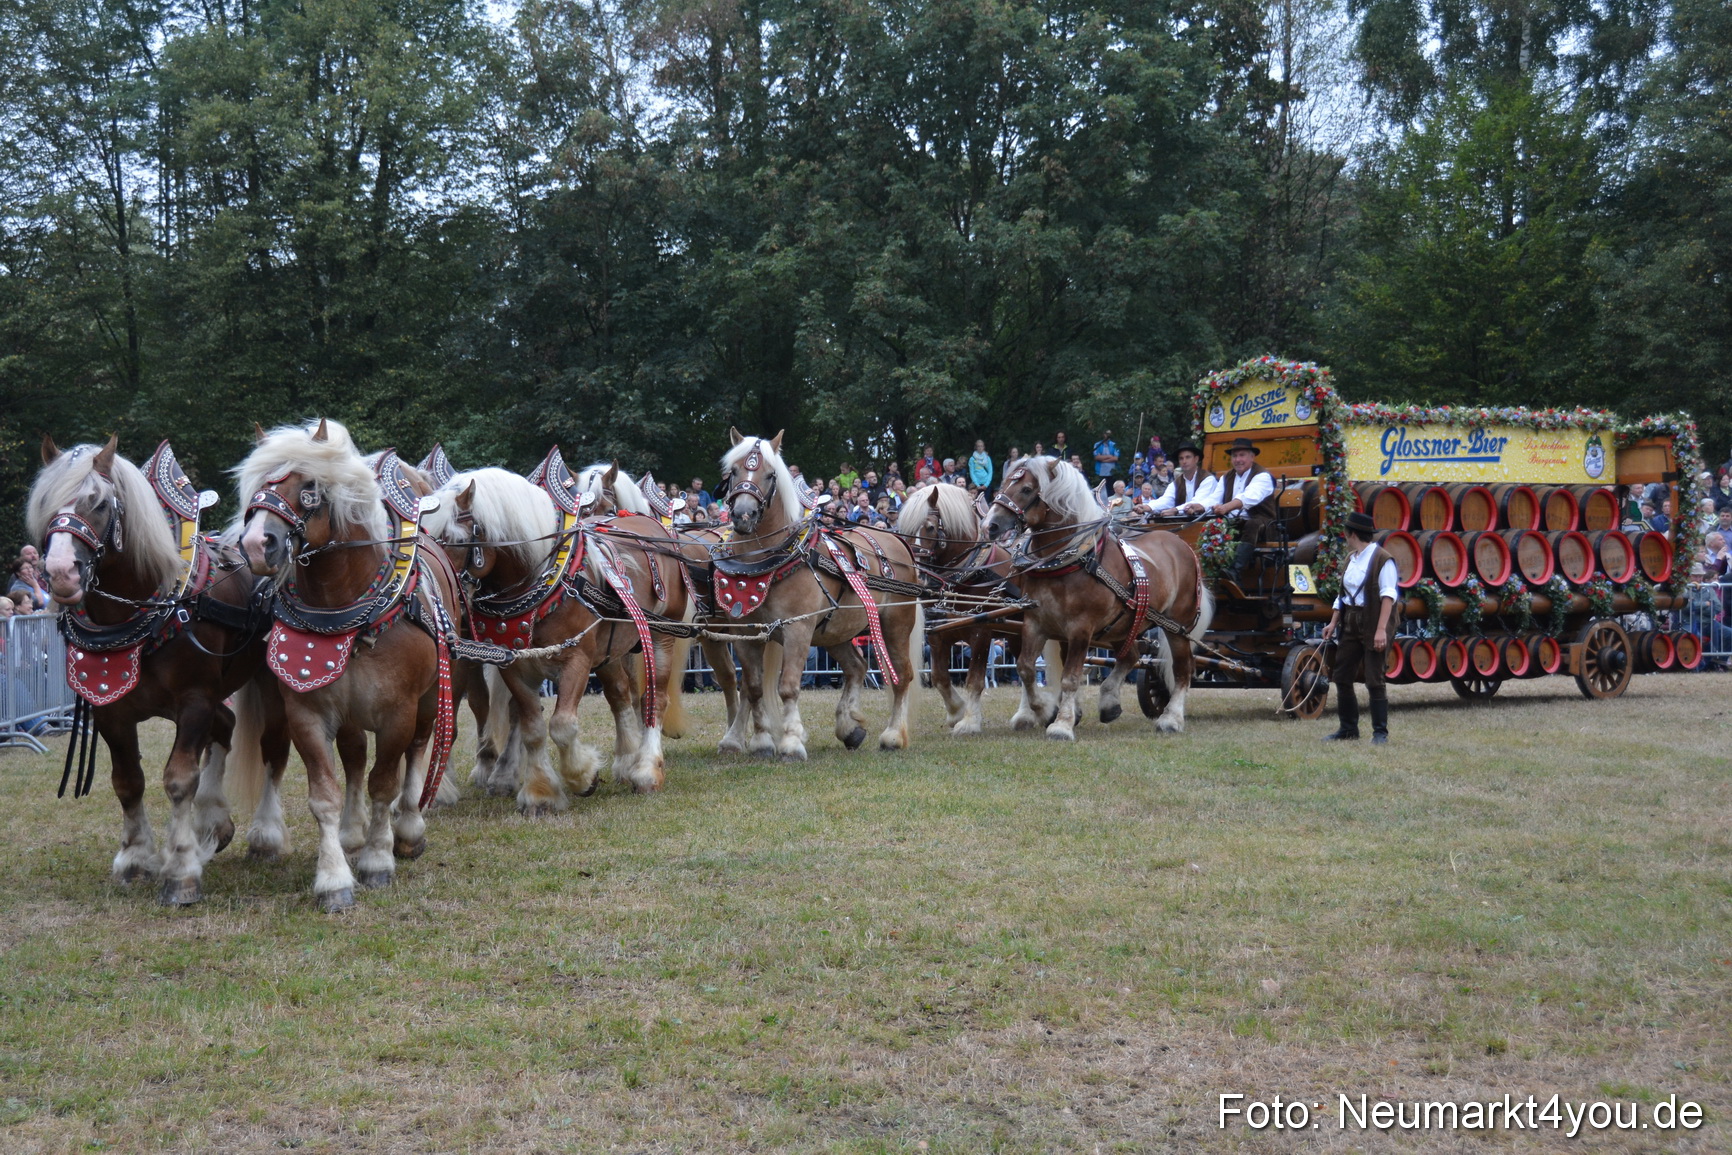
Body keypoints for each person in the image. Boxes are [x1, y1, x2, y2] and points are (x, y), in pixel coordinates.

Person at [1320, 511, 1398, 745]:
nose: (1344, 537)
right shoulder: (1351, 559)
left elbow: (1388, 596)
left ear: (1352, 534)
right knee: (1342, 675)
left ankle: (1380, 733)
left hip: (1374, 620)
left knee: (1374, 678)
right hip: (1351, 621)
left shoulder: (1383, 559)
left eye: (1345, 533)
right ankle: (1348, 729)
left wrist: (1381, 630)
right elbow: (1342, 595)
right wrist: (1333, 622)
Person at [1211, 437, 1277, 584]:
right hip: (1235, 522)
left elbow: (1249, 497)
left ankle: (1235, 571)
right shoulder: (1226, 477)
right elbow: (1214, 499)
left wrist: (1226, 507)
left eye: (1242, 455)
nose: (1237, 460)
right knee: (1212, 526)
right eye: (1234, 456)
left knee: (1252, 524)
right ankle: (1213, 571)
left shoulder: (1262, 476)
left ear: (1252, 457)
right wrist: (1197, 506)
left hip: (1263, 522)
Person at [1150, 442, 1218, 515]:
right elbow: (1166, 500)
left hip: (1204, 523)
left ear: (1196, 459)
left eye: (1188, 457)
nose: (1184, 461)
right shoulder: (1176, 483)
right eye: (1181, 458)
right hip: (1183, 523)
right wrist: (1148, 507)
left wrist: (1176, 510)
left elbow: (1197, 502)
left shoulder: (1208, 479)